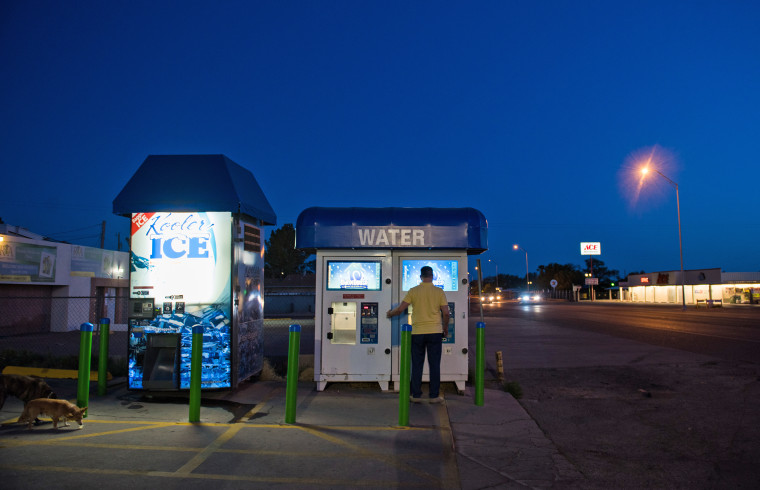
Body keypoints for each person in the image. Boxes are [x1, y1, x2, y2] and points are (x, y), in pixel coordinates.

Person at [387, 266, 450, 403]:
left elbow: (400, 309)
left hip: (417, 333)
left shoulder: (413, 291)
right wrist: (445, 327)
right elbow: (446, 313)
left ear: (421, 277)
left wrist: (389, 313)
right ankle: (434, 396)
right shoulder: (439, 292)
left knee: (417, 364)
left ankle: (416, 395)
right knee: (434, 365)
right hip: (435, 332)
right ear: (432, 276)